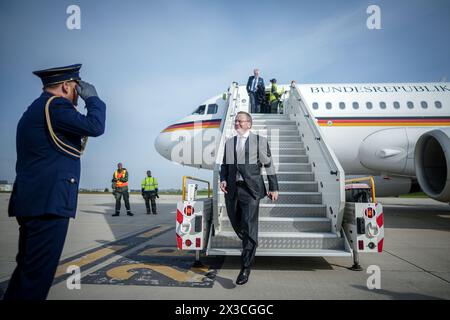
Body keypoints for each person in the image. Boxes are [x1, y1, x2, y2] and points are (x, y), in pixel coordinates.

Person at [4, 64, 106, 300]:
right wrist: (94, 99)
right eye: (77, 89)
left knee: (28, 272)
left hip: (33, 202)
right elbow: (95, 126)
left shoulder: (36, 108)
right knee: (36, 279)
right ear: (66, 86)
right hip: (48, 204)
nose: (78, 96)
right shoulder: (56, 106)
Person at [219, 111, 279, 285]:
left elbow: (269, 164)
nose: (236, 123)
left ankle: (245, 267)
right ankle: (249, 241)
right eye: (236, 121)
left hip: (251, 190)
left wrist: (274, 187)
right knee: (237, 223)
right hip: (232, 189)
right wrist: (223, 178)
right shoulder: (230, 143)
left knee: (249, 225)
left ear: (249, 124)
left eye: (240, 121)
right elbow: (225, 165)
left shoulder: (259, 141)